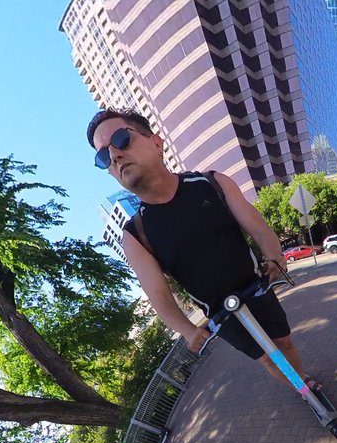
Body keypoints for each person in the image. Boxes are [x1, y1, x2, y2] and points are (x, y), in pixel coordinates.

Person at [87, 108, 314, 386]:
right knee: (267, 358)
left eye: (121, 139)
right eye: (103, 157)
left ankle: (304, 380)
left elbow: (257, 227)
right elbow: (158, 295)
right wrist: (187, 330)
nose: (114, 155)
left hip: (255, 285)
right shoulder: (135, 235)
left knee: (284, 341)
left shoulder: (211, 183)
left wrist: (274, 256)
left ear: (156, 143)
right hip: (220, 313)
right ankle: (302, 391)